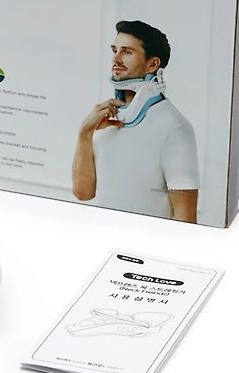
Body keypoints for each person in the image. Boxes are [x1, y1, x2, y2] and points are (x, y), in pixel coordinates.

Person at [71, 20, 199, 222]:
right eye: (114, 50)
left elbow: (186, 221)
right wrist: (84, 132)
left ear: (153, 64)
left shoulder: (175, 128)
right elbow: (83, 193)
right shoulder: (102, 120)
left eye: (127, 52)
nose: (116, 59)